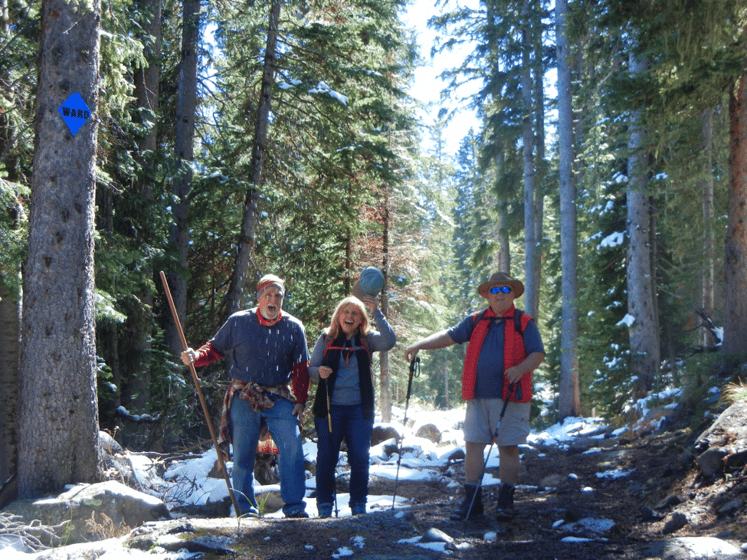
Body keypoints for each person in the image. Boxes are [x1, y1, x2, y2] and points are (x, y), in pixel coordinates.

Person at [404, 272, 544, 521]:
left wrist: (520, 369)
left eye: (504, 290)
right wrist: (419, 345)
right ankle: (473, 502)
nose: (499, 295)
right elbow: (449, 335)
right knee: (473, 445)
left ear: (512, 294)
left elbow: (537, 354)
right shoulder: (476, 320)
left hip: (511, 395)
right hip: (476, 395)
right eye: (495, 291)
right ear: (487, 295)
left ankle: (505, 502)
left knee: (508, 446)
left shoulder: (524, 322)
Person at [180, 274, 310, 518]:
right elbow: (215, 348)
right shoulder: (239, 322)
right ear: (259, 298)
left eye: (278, 296)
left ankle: (294, 507)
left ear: (282, 299)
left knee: (292, 446)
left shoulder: (294, 327)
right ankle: (245, 510)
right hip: (243, 394)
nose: (273, 300)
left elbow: (301, 368)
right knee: (243, 453)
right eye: (268, 295)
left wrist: (301, 401)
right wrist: (196, 357)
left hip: (278, 395)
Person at [309, 294, 396, 518]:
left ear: (361, 320)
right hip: (329, 410)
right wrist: (319, 372)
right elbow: (312, 369)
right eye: (345, 312)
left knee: (359, 458)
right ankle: (324, 506)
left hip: (360, 410)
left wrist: (377, 312)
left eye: (355, 313)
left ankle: (358, 505)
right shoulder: (326, 339)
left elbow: (389, 341)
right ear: (338, 316)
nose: (349, 316)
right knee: (326, 459)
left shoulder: (367, 340)